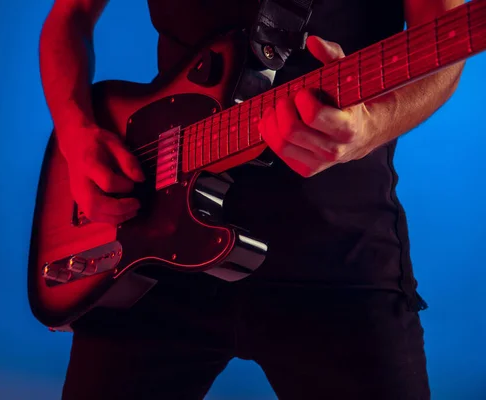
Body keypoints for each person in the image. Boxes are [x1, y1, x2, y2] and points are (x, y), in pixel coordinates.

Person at [38, 0, 465, 398]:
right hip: (152, 248)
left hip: (338, 256)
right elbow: (68, 18)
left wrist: (373, 127)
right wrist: (77, 136)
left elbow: (445, 40)